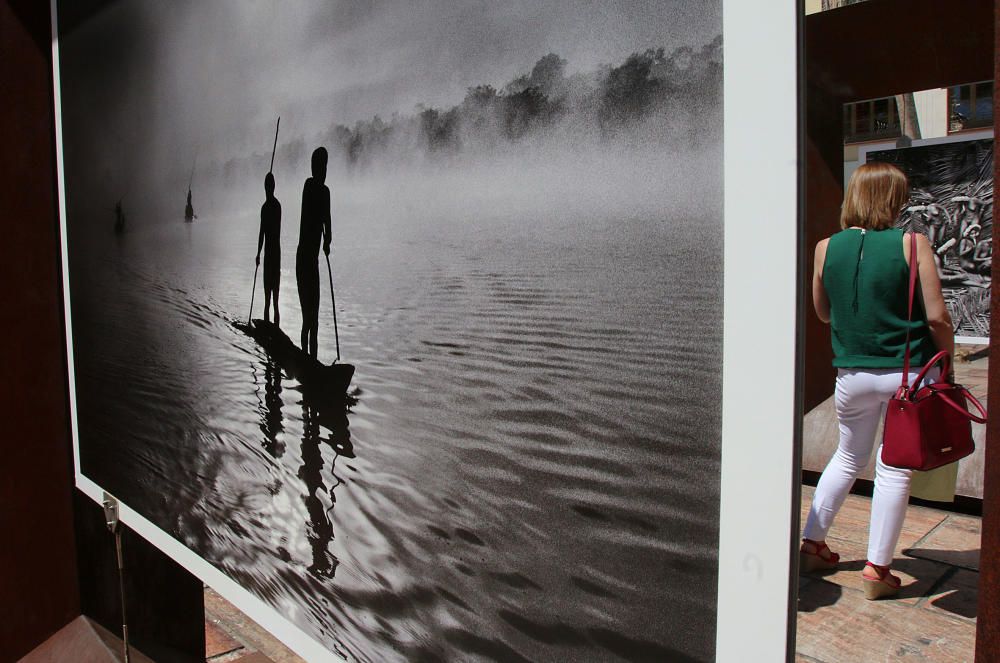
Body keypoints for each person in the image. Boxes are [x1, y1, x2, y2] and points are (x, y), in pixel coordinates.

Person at [801, 162, 954, 600]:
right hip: (908, 375)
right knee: (893, 466)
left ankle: (812, 543)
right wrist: (948, 364)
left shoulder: (825, 247)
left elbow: (824, 312)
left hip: (852, 374)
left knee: (848, 456)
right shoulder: (912, 243)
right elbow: (938, 316)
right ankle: (877, 569)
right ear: (894, 198)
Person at [296, 147, 331, 358]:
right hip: (303, 261)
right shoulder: (309, 186)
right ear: (315, 168)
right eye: (321, 166)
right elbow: (321, 216)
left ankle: (313, 361)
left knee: (315, 320)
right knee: (307, 320)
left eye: (325, 166)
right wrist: (326, 238)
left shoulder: (325, 192)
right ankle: (304, 359)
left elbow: (329, 228)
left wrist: (327, 241)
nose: (324, 171)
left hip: (312, 263)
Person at [256, 172, 281, 326]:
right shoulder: (271, 206)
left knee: (273, 300)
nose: (267, 189)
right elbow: (261, 233)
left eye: (268, 187)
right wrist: (258, 253)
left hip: (273, 255)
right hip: (273, 254)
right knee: (270, 299)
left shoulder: (269, 207)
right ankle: (269, 327)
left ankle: (273, 328)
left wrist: (259, 253)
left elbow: (263, 232)